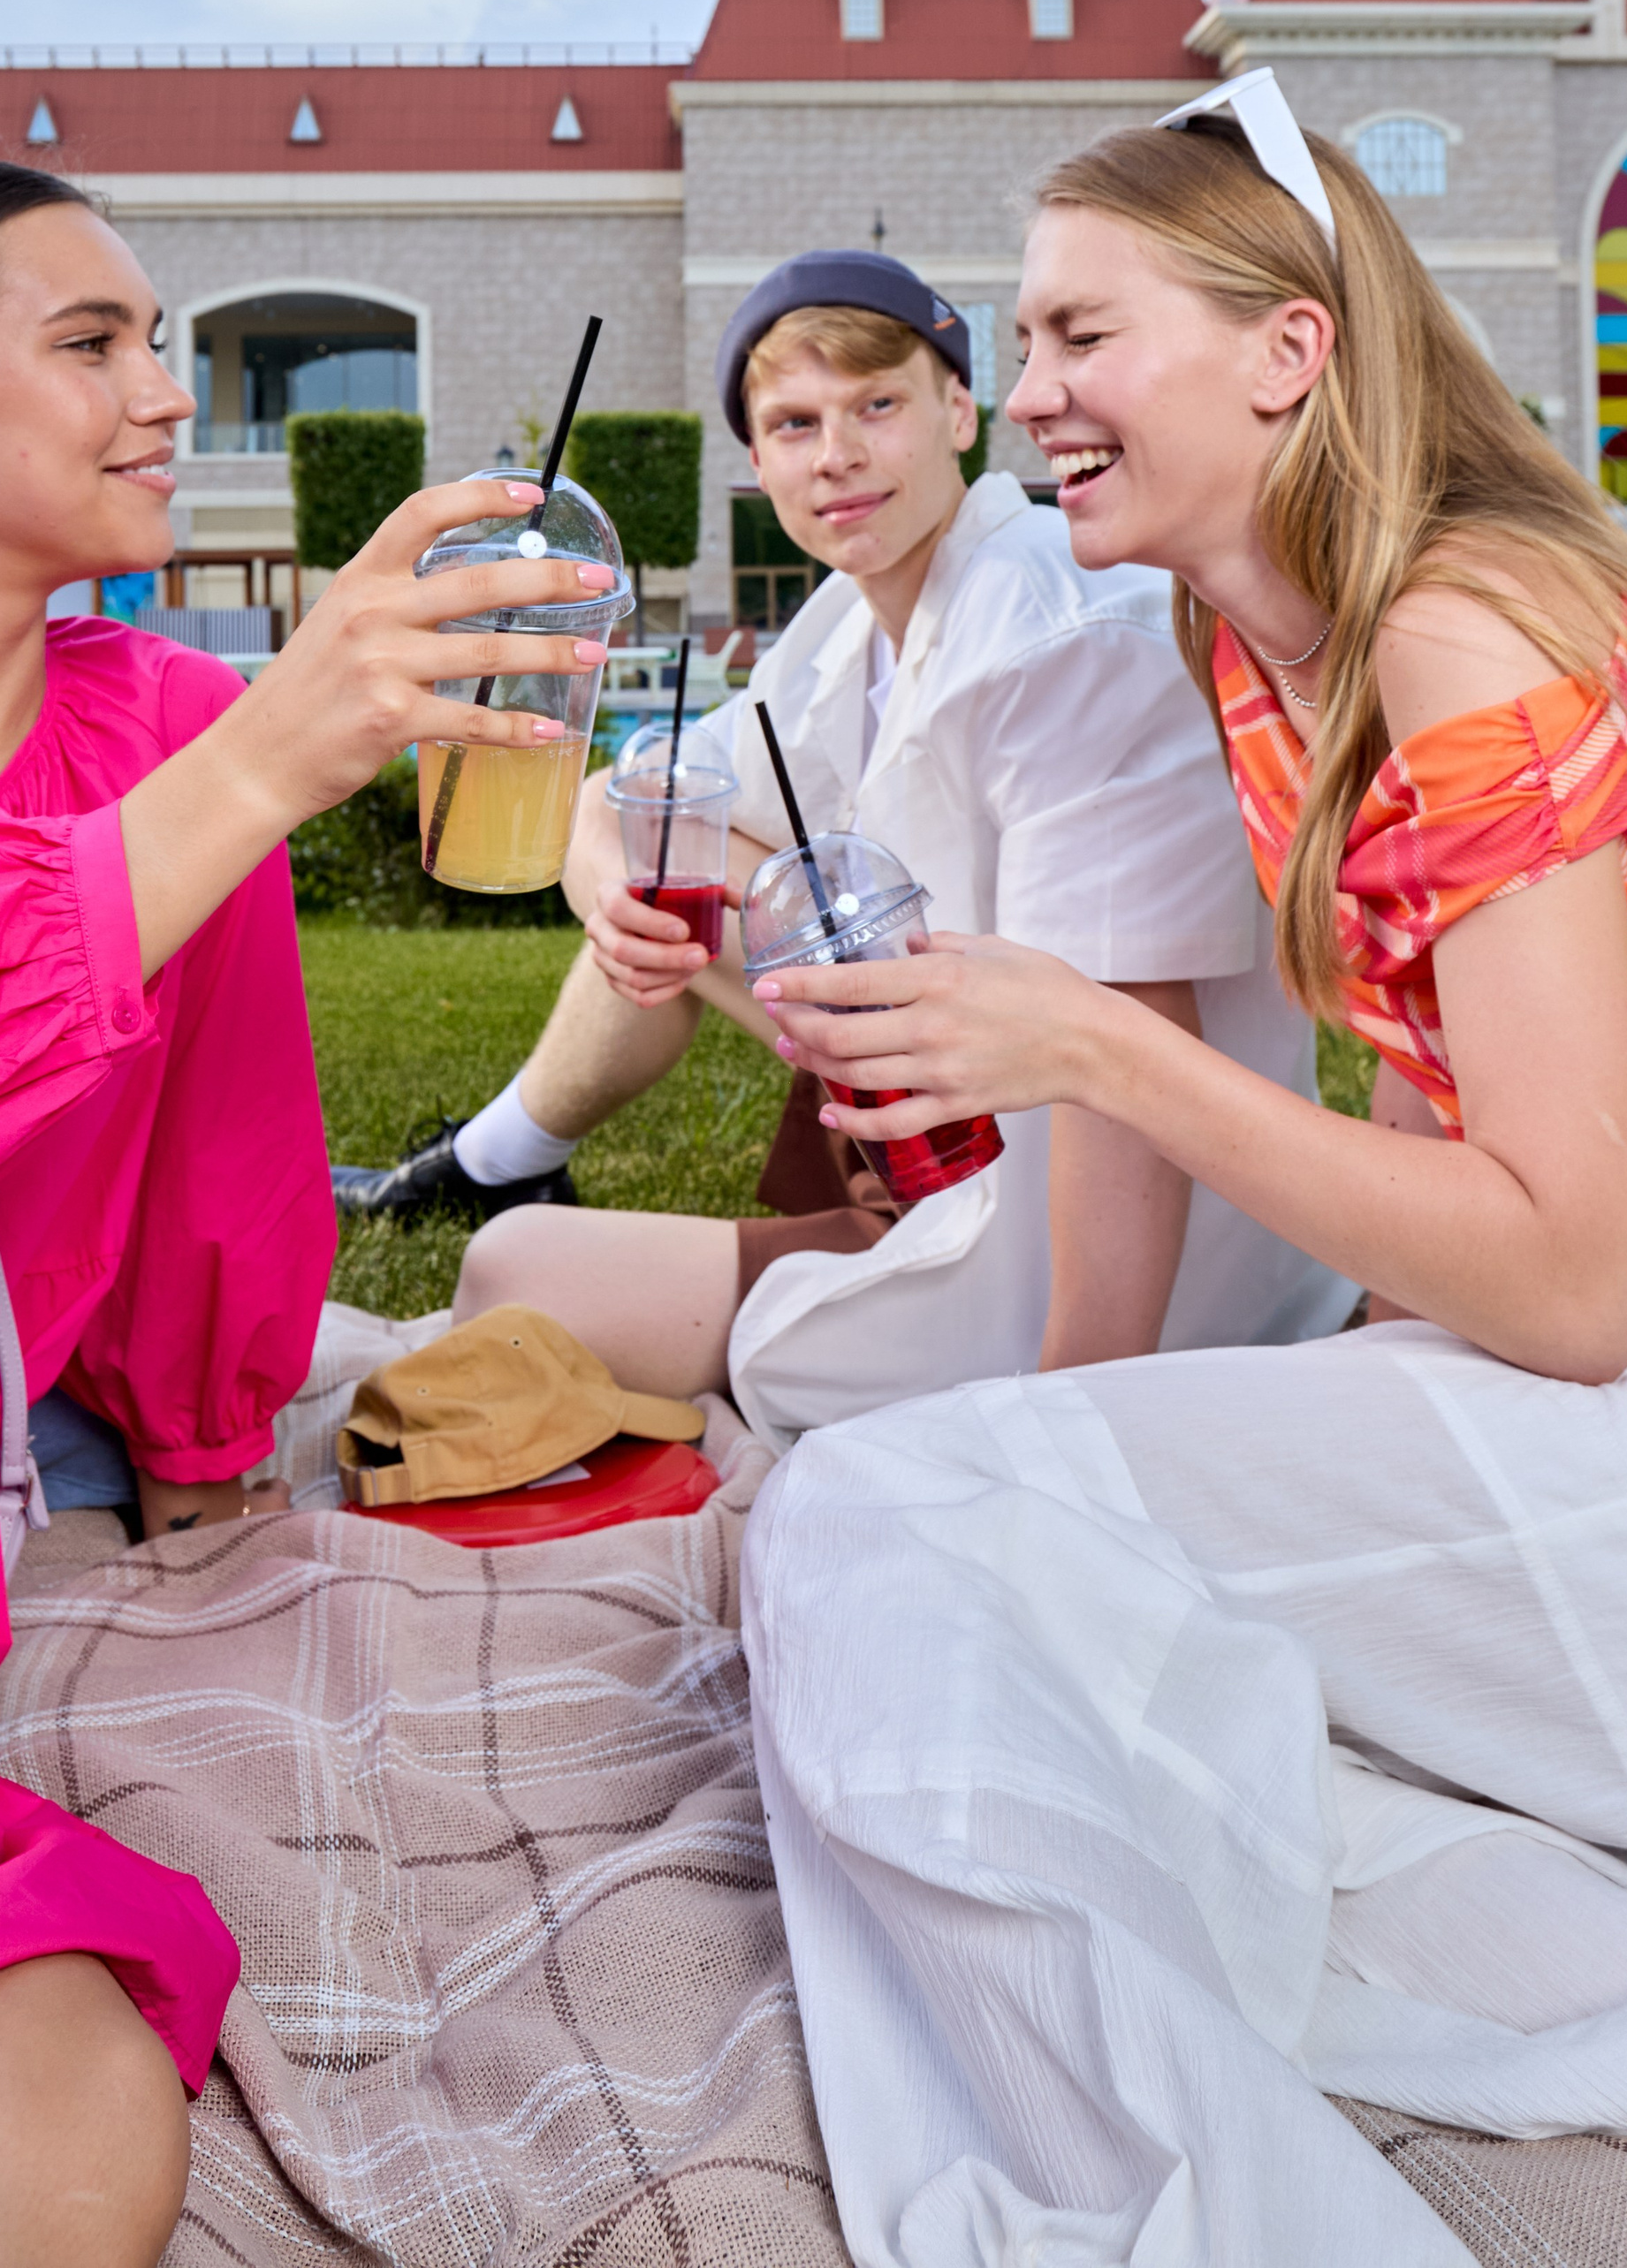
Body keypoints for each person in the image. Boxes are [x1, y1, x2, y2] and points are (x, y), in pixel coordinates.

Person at [738, 72, 1627, 2264]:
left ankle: (1196, 2204)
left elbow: (1571, 1282)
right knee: (1048, 1600)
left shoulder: (1461, 626)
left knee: (900, 1525)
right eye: (1027, 337)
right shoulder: (1265, 635)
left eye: (1084, 335)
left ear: (1287, 353)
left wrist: (1090, 1043)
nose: (1031, 392)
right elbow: (1448, 1136)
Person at [0, 155, 613, 2268]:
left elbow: (222, 1170)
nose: (162, 393)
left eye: (163, 340)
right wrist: (259, 772)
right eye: (90, 343)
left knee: (51, 2089)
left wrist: (199, 1472)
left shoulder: (165, 728)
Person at [376, 249, 1343, 1436]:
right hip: (958, 1163)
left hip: (1117, 1275)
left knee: (510, 1280)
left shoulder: (1062, 638)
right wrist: (606, 882)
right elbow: (632, 798)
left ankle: (822, 1259)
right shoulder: (847, 629)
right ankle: (512, 1155)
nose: (834, 454)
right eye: (794, 423)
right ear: (757, 461)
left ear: (956, 412)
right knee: (522, 1246)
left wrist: (1077, 1418)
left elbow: (1126, 1056)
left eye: (876, 406)